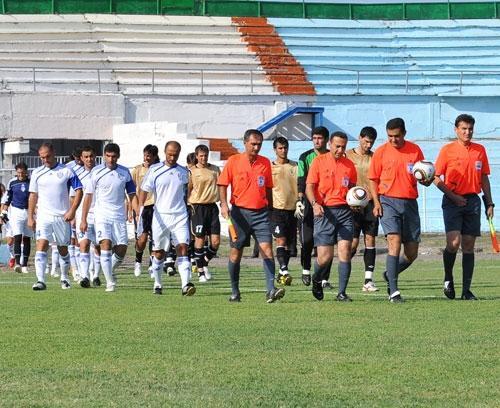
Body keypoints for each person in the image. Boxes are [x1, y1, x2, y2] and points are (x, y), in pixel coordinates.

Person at [218, 129, 285, 303]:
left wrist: (270, 211)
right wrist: (224, 204)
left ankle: (271, 290)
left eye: (259, 144)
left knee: (267, 249)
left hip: (261, 214)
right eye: (253, 144)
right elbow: (222, 184)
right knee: (236, 253)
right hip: (239, 214)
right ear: (245, 143)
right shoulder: (233, 161)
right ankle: (235, 291)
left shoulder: (265, 162)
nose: (256, 147)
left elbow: (268, 188)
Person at [433, 114, 494, 300]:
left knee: (468, 245)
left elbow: (484, 178)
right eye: (464, 129)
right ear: (456, 130)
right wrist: (453, 196)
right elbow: (435, 177)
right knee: (453, 243)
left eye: (470, 129)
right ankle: (448, 278)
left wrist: (489, 203)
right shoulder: (447, 150)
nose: (467, 132)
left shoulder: (480, 150)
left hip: (473, 202)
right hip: (452, 201)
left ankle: (466, 290)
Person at [368, 118, 427, 303]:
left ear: (404, 133)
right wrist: (376, 203)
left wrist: (426, 179)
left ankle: (390, 274)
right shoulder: (381, 152)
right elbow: (373, 179)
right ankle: (393, 291)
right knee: (394, 241)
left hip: (409, 203)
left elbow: (423, 175)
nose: (393, 139)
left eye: (397, 136)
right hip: (388, 201)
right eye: (390, 136)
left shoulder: (415, 150)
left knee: (411, 252)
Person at [139, 141, 196, 296]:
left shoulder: (183, 172)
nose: (172, 157)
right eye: (170, 154)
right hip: (161, 216)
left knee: (182, 248)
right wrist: (140, 209)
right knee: (159, 253)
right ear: (165, 152)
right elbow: (144, 190)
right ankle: (157, 283)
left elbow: (186, 191)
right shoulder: (154, 170)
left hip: (180, 216)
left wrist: (187, 206)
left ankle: (185, 285)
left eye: (175, 154)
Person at [305, 131, 357, 301]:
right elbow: (309, 187)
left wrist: (357, 202)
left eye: (343, 147)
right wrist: (315, 204)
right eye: (337, 146)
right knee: (325, 257)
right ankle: (316, 279)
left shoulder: (349, 165)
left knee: (345, 251)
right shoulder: (318, 162)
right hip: (324, 212)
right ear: (330, 145)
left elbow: (352, 189)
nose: (340, 150)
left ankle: (341, 293)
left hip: (345, 212)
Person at [80, 143, 138, 292]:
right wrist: (83, 219)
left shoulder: (124, 172)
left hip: (119, 216)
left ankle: (108, 270)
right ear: (104, 156)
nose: (111, 159)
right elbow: (88, 196)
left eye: (114, 156)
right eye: (108, 156)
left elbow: (132, 195)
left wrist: (138, 213)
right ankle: (110, 282)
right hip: (102, 215)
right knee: (105, 244)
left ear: (118, 156)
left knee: (122, 249)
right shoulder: (96, 171)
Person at [28, 143, 83, 290]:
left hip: (62, 217)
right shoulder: (37, 173)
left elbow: (79, 190)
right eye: (42, 158)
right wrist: (30, 217)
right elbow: (33, 195)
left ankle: (64, 277)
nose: (45, 160)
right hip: (44, 216)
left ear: (54, 153)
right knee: (41, 245)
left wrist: (72, 210)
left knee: (63, 249)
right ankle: (40, 280)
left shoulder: (66, 171)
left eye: (47, 156)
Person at [296, 126, 333, 289]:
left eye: (320, 138)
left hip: (327, 204)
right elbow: (301, 179)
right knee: (307, 240)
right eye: (314, 138)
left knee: (326, 241)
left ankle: (324, 278)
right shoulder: (305, 157)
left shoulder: (332, 157)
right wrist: (299, 200)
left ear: (326, 140)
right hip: (309, 203)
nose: (317, 141)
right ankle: (306, 269)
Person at [346, 126, 380, 292]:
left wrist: (376, 201)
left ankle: (368, 281)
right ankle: (342, 272)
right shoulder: (347, 155)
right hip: (352, 205)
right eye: (366, 141)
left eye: (371, 142)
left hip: (370, 203)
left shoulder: (375, 157)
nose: (368, 145)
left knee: (370, 239)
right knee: (352, 243)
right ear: (360, 138)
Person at [188, 144, 221, 283]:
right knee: (200, 239)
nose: (203, 158)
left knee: (216, 242)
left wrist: (223, 202)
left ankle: (204, 262)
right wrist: (187, 206)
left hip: (212, 207)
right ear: (196, 156)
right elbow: (188, 189)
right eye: (201, 156)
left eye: (205, 155)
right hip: (198, 207)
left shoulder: (215, 169)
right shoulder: (191, 171)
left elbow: (221, 186)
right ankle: (201, 272)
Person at [73, 146, 101, 288]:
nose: (89, 159)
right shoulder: (76, 175)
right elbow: (73, 196)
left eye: (91, 156)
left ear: (95, 156)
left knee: (99, 246)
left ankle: (96, 275)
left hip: (100, 213)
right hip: (82, 215)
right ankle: (84, 276)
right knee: (84, 244)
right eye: (86, 157)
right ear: (82, 158)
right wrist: (73, 215)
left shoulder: (102, 172)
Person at [270, 136, 298, 285]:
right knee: (280, 239)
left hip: (293, 210)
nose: (283, 150)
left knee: (290, 246)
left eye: (285, 147)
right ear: (275, 150)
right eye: (280, 148)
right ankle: (284, 269)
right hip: (277, 209)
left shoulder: (295, 166)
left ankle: (281, 273)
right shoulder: (270, 167)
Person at [131, 144, 159, 277]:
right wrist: (134, 209)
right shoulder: (137, 170)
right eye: (145, 155)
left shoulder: (158, 169)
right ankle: (138, 261)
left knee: (155, 237)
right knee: (142, 238)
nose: (146, 158)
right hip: (142, 207)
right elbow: (131, 191)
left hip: (156, 207)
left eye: (149, 156)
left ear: (154, 157)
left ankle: (152, 265)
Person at [1, 162, 32, 273]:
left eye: (22, 173)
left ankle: (25, 265)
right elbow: (8, 198)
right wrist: (4, 212)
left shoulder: (31, 182)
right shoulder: (12, 182)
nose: (20, 175)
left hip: (29, 211)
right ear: (16, 172)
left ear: (26, 172)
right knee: (17, 237)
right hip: (16, 211)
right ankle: (18, 263)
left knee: (27, 238)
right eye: (18, 173)